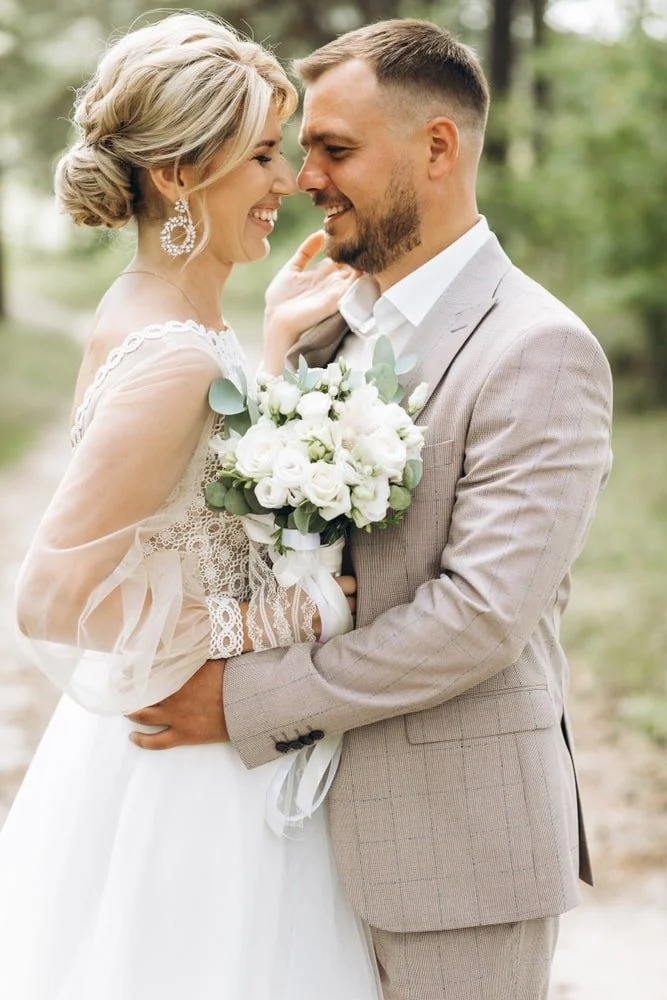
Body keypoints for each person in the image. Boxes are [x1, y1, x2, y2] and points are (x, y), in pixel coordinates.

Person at [134, 19, 614, 1000]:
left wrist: (238, 703)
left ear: (436, 148)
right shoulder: (320, 328)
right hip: (290, 843)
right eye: (303, 148)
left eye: (335, 149)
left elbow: (477, 618)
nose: (304, 177)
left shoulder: (536, 349)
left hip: (453, 854)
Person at [0, 12, 382, 1000]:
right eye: (260, 155)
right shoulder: (171, 356)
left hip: (219, 751)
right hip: (191, 772)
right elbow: (48, 596)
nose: (287, 183)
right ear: (176, 172)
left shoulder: (175, 321)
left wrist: (265, 360)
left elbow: (186, 506)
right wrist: (267, 617)